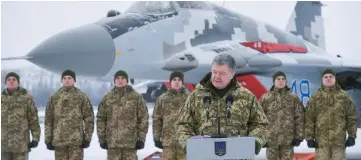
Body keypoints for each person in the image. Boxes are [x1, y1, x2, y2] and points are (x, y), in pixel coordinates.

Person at [176, 54, 269, 155]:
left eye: (222, 73)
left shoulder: (246, 96)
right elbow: (183, 124)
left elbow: (261, 124)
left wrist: (256, 142)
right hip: (204, 154)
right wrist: (187, 144)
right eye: (214, 72)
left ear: (232, 74)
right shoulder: (196, 96)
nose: (217, 76)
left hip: (237, 154)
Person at [305, 69, 357, 160]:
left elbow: (351, 117)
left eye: (331, 77)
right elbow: (309, 118)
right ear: (322, 80)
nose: (328, 79)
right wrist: (309, 138)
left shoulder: (344, 97)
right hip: (321, 143)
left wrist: (352, 136)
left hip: (339, 142)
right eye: (326, 77)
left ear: (335, 79)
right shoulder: (315, 97)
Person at [96, 70, 149, 160]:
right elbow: (101, 119)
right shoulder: (107, 98)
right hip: (113, 144)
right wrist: (101, 138)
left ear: (127, 81)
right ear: (114, 81)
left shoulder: (136, 97)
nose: (120, 80)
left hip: (130, 144)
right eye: (117, 78)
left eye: (123, 78)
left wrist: (141, 139)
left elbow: (143, 118)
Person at [45, 69, 94, 160]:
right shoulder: (54, 97)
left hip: (76, 142)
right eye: (64, 78)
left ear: (74, 80)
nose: (67, 80)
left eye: (69, 78)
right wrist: (48, 139)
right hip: (59, 141)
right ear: (62, 80)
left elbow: (89, 118)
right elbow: (49, 120)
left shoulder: (81, 96)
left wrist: (87, 138)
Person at [259, 71, 304, 160]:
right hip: (271, 140)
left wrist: (299, 136)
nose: (281, 81)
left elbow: (300, 117)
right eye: (278, 79)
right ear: (274, 81)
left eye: (283, 79)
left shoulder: (293, 98)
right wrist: (262, 138)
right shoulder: (265, 98)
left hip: (288, 140)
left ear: (286, 82)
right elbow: (259, 119)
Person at [1, 72, 41, 160]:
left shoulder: (26, 98)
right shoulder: (1, 99)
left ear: (18, 82)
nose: (11, 81)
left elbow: (33, 120)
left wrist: (35, 138)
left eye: (14, 79)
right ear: (5, 83)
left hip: (21, 146)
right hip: (4, 146)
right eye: (9, 80)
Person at [152, 71, 188, 160]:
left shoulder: (189, 99)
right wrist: (156, 138)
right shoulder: (162, 99)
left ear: (182, 82)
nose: (176, 82)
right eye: (174, 79)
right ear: (170, 82)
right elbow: (157, 120)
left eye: (179, 80)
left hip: (184, 143)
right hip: (168, 143)